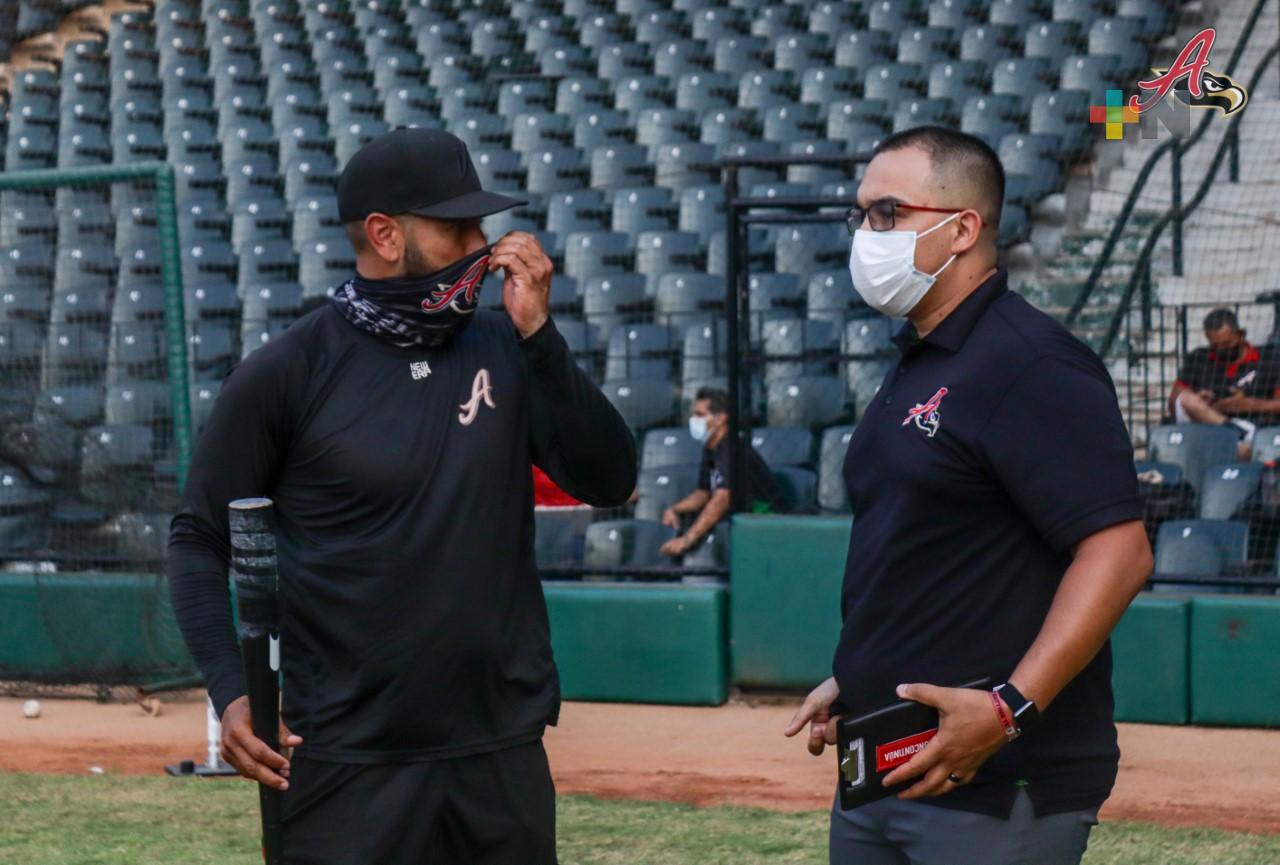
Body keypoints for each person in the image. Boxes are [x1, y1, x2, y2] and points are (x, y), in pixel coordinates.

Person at [167, 127, 636, 865]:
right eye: (458, 228)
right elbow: (196, 538)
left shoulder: (506, 347)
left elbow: (611, 477)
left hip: (499, 752)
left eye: (482, 223)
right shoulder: (288, 370)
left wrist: (541, 336)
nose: (485, 243)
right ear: (385, 234)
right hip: (345, 760)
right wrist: (231, 692)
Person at [783, 126, 1154, 865]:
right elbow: (938, 543)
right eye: (862, 215)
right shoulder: (918, 359)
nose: (867, 234)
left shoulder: (1033, 362)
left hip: (997, 784)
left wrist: (1007, 708)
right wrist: (861, 673)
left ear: (962, 229)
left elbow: (1119, 551)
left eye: (887, 213)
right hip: (881, 761)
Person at [658, 386, 778, 559]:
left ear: (720, 418)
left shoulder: (731, 448)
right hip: (735, 521)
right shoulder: (711, 449)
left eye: (699, 415)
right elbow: (702, 493)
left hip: (761, 519)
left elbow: (722, 498)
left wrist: (687, 539)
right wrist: (674, 509)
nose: (693, 420)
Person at [1168, 307, 1280, 457]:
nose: (1221, 350)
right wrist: (1202, 401)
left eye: (1226, 344)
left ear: (1241, 335)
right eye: (1215, 346)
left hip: (1255, 426)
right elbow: (1174, 402)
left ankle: (1239, 436)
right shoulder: (1198, 358)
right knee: (1188, 399)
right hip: (1207, 426)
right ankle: (1234, 431)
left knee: (1242, 450)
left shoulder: (1269, 358)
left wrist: (1247, 404)